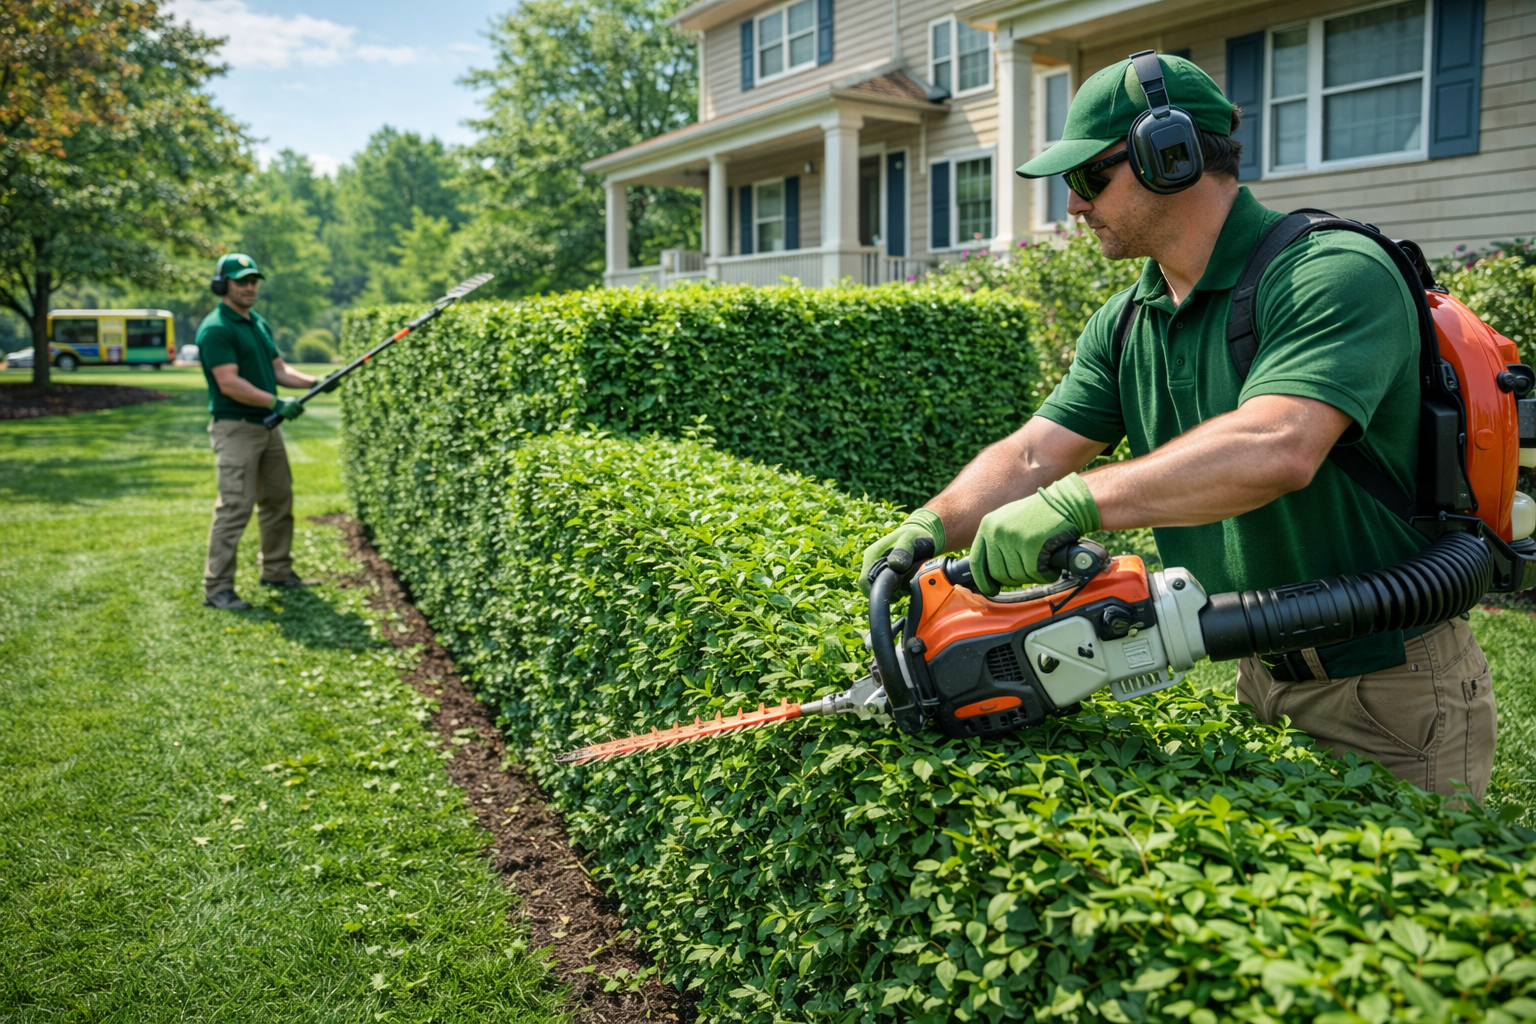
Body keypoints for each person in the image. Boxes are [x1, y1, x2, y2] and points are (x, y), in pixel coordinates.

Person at [859, 54, 1494, 802]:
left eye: (1089, 178)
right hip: (1257, 668)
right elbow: (1035, 452)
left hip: (1390, 682)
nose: (1074, 207)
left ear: (1173, 155)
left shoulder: (1329, 271)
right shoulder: (1130, 319)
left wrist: (1076, 504)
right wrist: (932, 525)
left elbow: (1278, 445)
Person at [197, 253, 317, 611]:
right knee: (235, 507)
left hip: (267, 430)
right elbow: (229, 382)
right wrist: (276, 403)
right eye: (241, 281)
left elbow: (279, 370)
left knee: (279, 499)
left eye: (253, 281)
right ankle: (217, 588)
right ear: (223, 285)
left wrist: (315, 382)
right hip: (236, 430)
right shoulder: (217, 328)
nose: (250, 287)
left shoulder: (256, 323)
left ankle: (277, 570)